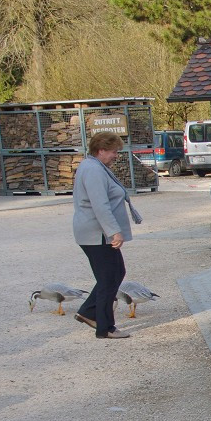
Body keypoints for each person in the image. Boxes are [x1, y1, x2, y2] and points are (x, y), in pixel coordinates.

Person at [72, 132, 134, 340]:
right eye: (114, 152)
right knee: (108, 278)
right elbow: (100, 205)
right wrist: (113, 231)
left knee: (116, 273)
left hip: (97, 233)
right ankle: (104, 327)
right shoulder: (93, 170)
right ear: (101, 151)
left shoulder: (96, 167)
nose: (116, 156)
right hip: (96, 234)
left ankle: (89, 312)